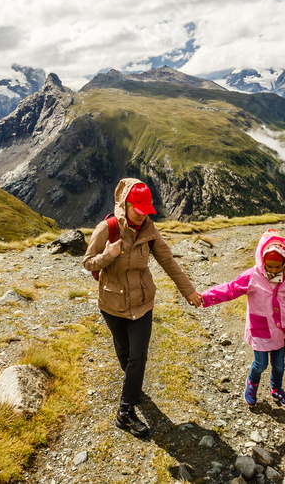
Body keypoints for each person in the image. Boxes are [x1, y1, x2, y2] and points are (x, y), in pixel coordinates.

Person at [83, 178, 203, 438]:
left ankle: (124, 411)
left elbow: (168, 261)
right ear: (125, 205)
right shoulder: (107, 229)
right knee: (125, 352)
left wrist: (189, 291)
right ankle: (133, 386)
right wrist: (109, 255)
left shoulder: (149, 229)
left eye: (146, 210)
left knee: (138, 356)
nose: (142, 215)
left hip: (142, 303)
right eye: (138, 210)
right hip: (112, 304)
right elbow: (88, 263)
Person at [200, 228, 285, 407]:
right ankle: (251, 385)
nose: (273, 270)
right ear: (263, 260)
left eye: (277, 266)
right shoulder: (252, 276)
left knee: (279, 365)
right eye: (269, 265)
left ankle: (276, 389)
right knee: (260, 364)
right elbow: (230, 289)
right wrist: (206, 297)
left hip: (280, 331)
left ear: (284, 263)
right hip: (260, 330)